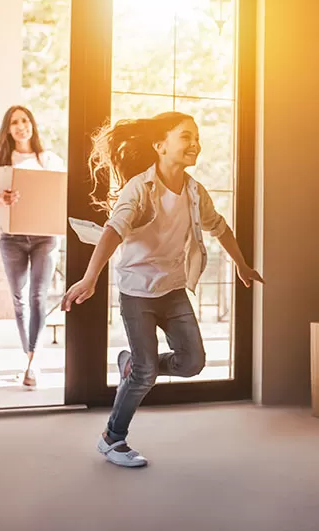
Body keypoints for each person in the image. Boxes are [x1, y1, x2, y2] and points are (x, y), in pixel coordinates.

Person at [61, 112, 263, 468]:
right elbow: (113, 231)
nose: (194, 143)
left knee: (193, 362)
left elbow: (220, 227)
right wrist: (90, 278)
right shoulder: (140, 188)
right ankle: (112, 438)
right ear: (160, 145)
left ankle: (137, 366)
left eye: (196, 137)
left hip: (172, 290)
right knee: (145, 374)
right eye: (186, 136)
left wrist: (242, 265)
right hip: (137, 292)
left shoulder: (195, 192)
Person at [0, 105, 64, 389]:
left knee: (38, 297)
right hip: (13, 238)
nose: (21, 126)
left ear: (32, 125)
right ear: (8, 129)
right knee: (19, 300)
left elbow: (60, 192)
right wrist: (1, 197)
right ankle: (28, 355)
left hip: (44, 238)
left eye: (25, 120)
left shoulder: (49, 159)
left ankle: (33, 362)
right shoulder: (2, 159)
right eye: (14, 122)